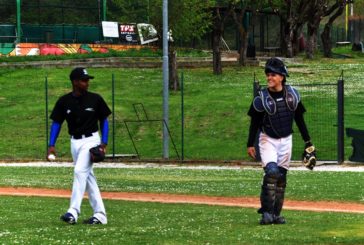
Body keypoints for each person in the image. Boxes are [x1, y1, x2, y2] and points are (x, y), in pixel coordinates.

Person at [246, 57, 315, 225]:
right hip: (267, 139)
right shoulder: (261, 99)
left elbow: (299, 119)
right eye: (268, 75)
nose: (269, 78)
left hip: (286, 140)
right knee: (271, 172)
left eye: (273, 75)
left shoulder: (292, 95)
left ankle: (276, 214)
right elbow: (254, 123)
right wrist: (249, 143)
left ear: (282, 77)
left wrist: (308, 142)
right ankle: (266, 213)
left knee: (281, 178)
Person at [47, 67, 111, 225]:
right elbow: (56, 123)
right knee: (88, 178)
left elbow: (104, 121)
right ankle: (100, 215)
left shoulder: (95, 99)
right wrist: (51, 144)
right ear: (75, 82)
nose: (87, 82)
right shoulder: (64, 101)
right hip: (74, 142)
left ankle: (73, 212)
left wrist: (104, 143)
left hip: (91, 140)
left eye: (88, 79)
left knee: (79, 171)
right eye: (84, 80)